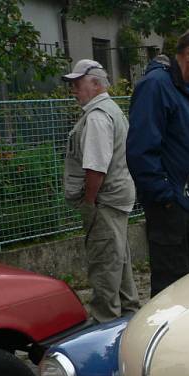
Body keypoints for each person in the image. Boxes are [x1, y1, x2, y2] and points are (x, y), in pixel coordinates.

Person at [126, 25, 189, 297]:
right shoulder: (156, 87)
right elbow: (140, 151)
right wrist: (167, 201)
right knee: (173, 295)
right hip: (174, 215)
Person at [62, 59, 140, 322]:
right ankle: (129, 319)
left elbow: (96, 167)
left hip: (104, 202)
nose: (73, 89)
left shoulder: (96, 117)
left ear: (95, 84)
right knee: (119, 262)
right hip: (117, 197)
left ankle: (105, 324)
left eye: (77, 83)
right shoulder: (112, 110)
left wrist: (89, 202)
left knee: (105, 266)